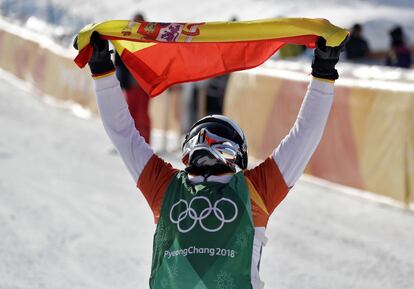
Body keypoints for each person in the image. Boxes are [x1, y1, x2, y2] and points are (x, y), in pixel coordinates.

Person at [76, 32, 345, 288]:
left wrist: (102, 70)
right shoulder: (256, 189)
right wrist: (323, 72)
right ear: (237, 154)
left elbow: (122, 133)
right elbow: (305, 136)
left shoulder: (165, 187)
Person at [114, 12, 152, 143]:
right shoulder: (125, 39)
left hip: (142, 85)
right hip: (130, 84)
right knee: (129, 115)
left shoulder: (147, 40)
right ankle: (128, 142)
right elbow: (118, 62)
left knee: (142, 116)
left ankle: (144, 142)